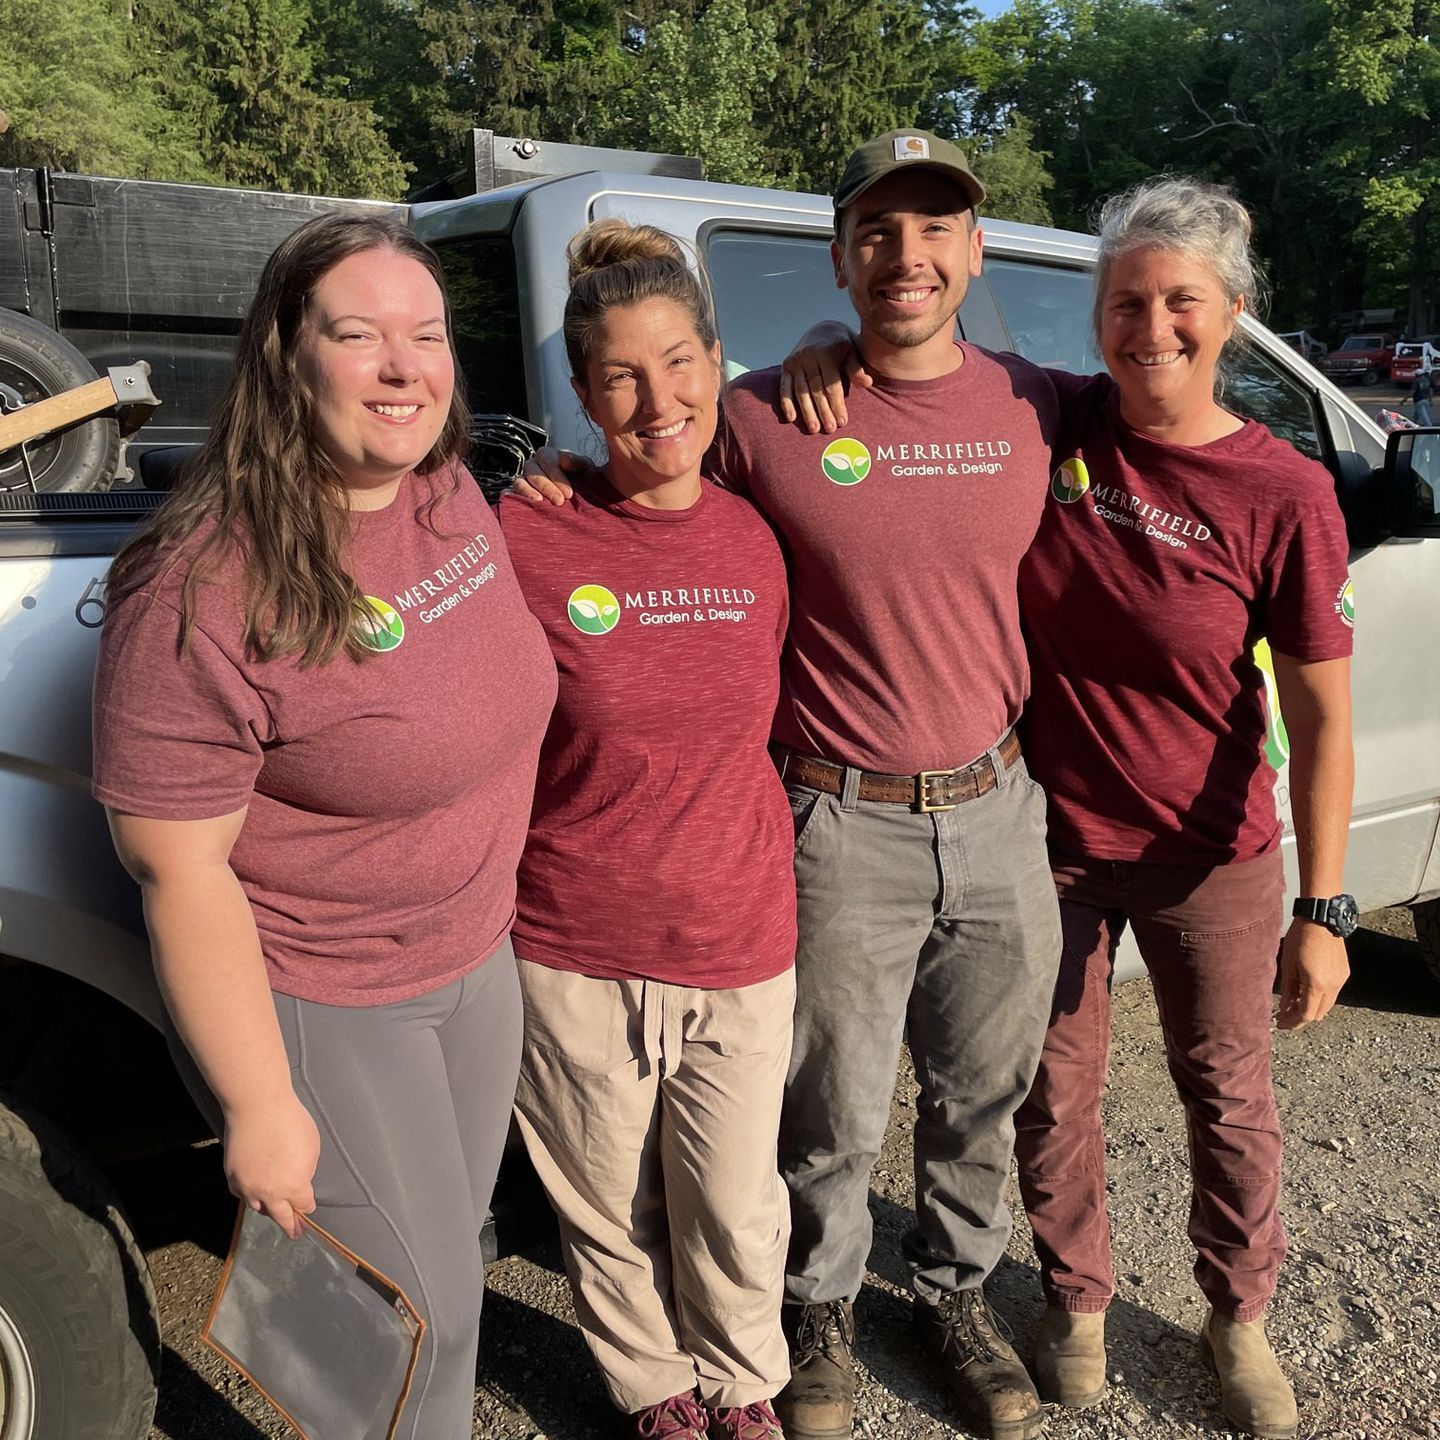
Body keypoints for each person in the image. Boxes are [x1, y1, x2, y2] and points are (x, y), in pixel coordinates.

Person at [780, 176, 1355, 1440]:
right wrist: (822, 352)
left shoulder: (1286, 490)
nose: (1154, 327)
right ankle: (1076, 1302)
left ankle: (1238, 1316)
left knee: (1229, 1095)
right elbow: (915, 381)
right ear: (1094, 319)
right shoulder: (1058, 419)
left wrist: (1327, 903)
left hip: (1215, 855)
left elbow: (1321, 716)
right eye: (1128, 302)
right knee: (1047, 1092)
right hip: (1048, 842)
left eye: (1183, 303)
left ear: (1234, 313)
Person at [519, 131, 1066, 1440]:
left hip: (998, 801)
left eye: (936, 228)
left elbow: (1174, 414)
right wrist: (544, 481)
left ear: (973, 249)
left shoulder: (1041, 400)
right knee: (827, 1102)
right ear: (841, 257)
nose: (909, 255)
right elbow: (646, 480)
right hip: (837, 813)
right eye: (877, 233)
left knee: (983, 1087)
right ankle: (813, 1310)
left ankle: (953, 1290)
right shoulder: (764, 412)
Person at [92, 214, 557, 1440]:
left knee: (440, 1268)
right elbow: (179, 871)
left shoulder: (449, 492)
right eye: (359, 336)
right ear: (284, 357)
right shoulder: (203, 584)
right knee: (416, 1321)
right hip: (326, 993)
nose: (406, 368)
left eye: (429, 335)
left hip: (469, 958)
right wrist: (258, 1105)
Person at [500, 219, 797, 1440]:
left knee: (734, 1203)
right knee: (610, 1206)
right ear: (581, 394)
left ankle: (744, 1383)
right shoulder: (525, 534)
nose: (656, 398)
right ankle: (655, 1391)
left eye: (679, 362)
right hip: (574, 934)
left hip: (738, 930)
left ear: (718, 361)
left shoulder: (762, 531)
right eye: (618, 375)